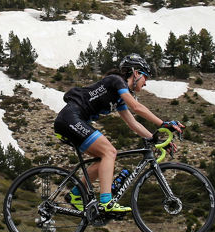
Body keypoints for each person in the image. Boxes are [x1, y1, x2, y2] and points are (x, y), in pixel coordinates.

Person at [54, 53, 183, 213]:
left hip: (72, 121)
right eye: (145, 77)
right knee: (110, 152)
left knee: (103, 158)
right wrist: (164, 124)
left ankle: (75, 195)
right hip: (70, 118)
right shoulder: (116, 81)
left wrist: (155, 139)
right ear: (136, 73)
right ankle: (106, 202)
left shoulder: (119, 98)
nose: (145, 83)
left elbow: (133, 123)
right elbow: (136, 107)